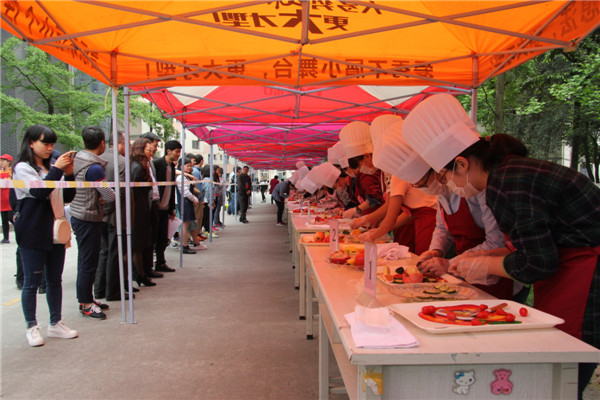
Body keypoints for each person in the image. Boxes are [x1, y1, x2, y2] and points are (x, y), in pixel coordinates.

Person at [402, 93, 600, 398]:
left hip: (587, 269)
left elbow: (537, 263)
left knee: (567, 366)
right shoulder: (508, 173)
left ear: (461, 164)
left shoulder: (507, 184)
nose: (449, 185)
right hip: (568, 263)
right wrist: (471, 261)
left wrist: (485, 264)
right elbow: (526, 247)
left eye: (446, 176)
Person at [13, 124, 78, 346]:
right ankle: (31, 326)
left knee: (54, 279)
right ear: (31, 143)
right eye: (45, 143)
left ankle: (56, 322)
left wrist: (68, 174)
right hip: (33, 230)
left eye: (52, 144)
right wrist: (58, 169)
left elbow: (68, 196)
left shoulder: (51, 167)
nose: (50, 148)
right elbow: (39, 192)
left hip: (56, 229)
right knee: (32, 282)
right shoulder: (22, 168)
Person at [71, 126, 115, 320]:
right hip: (88, 216)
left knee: (86, 260)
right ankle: (86, 303)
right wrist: (106, 197)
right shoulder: (94, 168)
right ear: (102, 143)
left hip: (79, 213)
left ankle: (87, 298)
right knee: (88, 262)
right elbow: (109, 195)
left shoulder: (78, 160)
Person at [96, 130, 134, 302]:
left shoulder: (98, 159)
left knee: (104, 252)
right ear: (120, 143)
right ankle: (113, 291)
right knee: (115, 253)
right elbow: (121, 191)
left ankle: (100, 289)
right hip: (115, 214)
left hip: (101, 212)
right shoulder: (121, 162)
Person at [130, 138, 157, 288]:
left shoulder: (141, 166)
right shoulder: (137, 167)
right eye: (149, 149)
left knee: (140, 245)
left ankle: (141, 274)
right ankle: (139, 274)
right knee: (137, 245)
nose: (151, 152)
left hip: (141, 208)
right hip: (138, 210)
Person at [153, 140, 181, 273]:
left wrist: (171, 208)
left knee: (163, 237)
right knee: (154, 236)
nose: (178, 154)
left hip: (166, 207)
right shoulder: (157, 164)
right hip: (155, 207)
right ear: (168, 151)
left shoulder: (172, 166)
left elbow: (172, 187)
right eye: (177, 152)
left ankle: (161, 262)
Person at [140, 132, 163, 279]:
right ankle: (142, 271)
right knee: (144, 240)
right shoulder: (137, 164)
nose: (155, 149)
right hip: (144, 207)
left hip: (154, 204)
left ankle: (148, 268)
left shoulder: (151, 163)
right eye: (153, 146)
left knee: (152, 238)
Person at [176, 157, 201, 254]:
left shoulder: (186, 177)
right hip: (185, 203)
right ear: (181, 166)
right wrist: (194, 199)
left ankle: (191, 243)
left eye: (191, 166)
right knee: (184, 225)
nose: (190, 168)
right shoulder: (181, 177)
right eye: (187, 166)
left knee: (188, 224)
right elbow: (185, 192)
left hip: (187, 203)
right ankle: (184, 245)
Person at [191, 154, 207, 241]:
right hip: (197, 198)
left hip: (199, 197)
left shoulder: (197, 171)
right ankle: (196, 234)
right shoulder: (196, 172)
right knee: (197, 217)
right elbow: (197, 186)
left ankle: (198, 233)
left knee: (200, 217)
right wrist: (200, 198)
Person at [1, 154, 13, 243]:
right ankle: (6, 238)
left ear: (8, 162)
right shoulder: (0, 172)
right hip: (2, 200)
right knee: (4, 219)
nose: (1, 162)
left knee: (10, 217)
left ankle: (22, 231)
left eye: (3, 161)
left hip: (9, 198)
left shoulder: (11, 171)